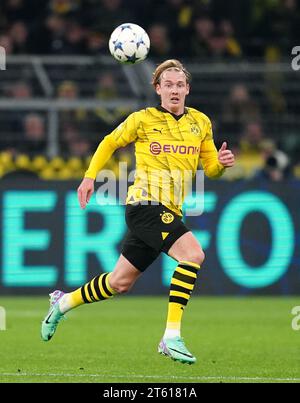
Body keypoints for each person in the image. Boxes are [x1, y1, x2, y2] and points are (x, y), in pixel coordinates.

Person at [41, 59, 235, 364]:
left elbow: (209, 169)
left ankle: (63, 303)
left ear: (188, 89)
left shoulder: (201, 122)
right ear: (157, 89)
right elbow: (109, 142)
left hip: (170, 209)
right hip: (144, 204)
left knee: (120, 282)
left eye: (179, 84)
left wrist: (221, 165)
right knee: (193, 255)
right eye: (168, 85)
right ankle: (171, 336)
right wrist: (90, 176)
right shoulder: (142, 119)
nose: (174, 90)